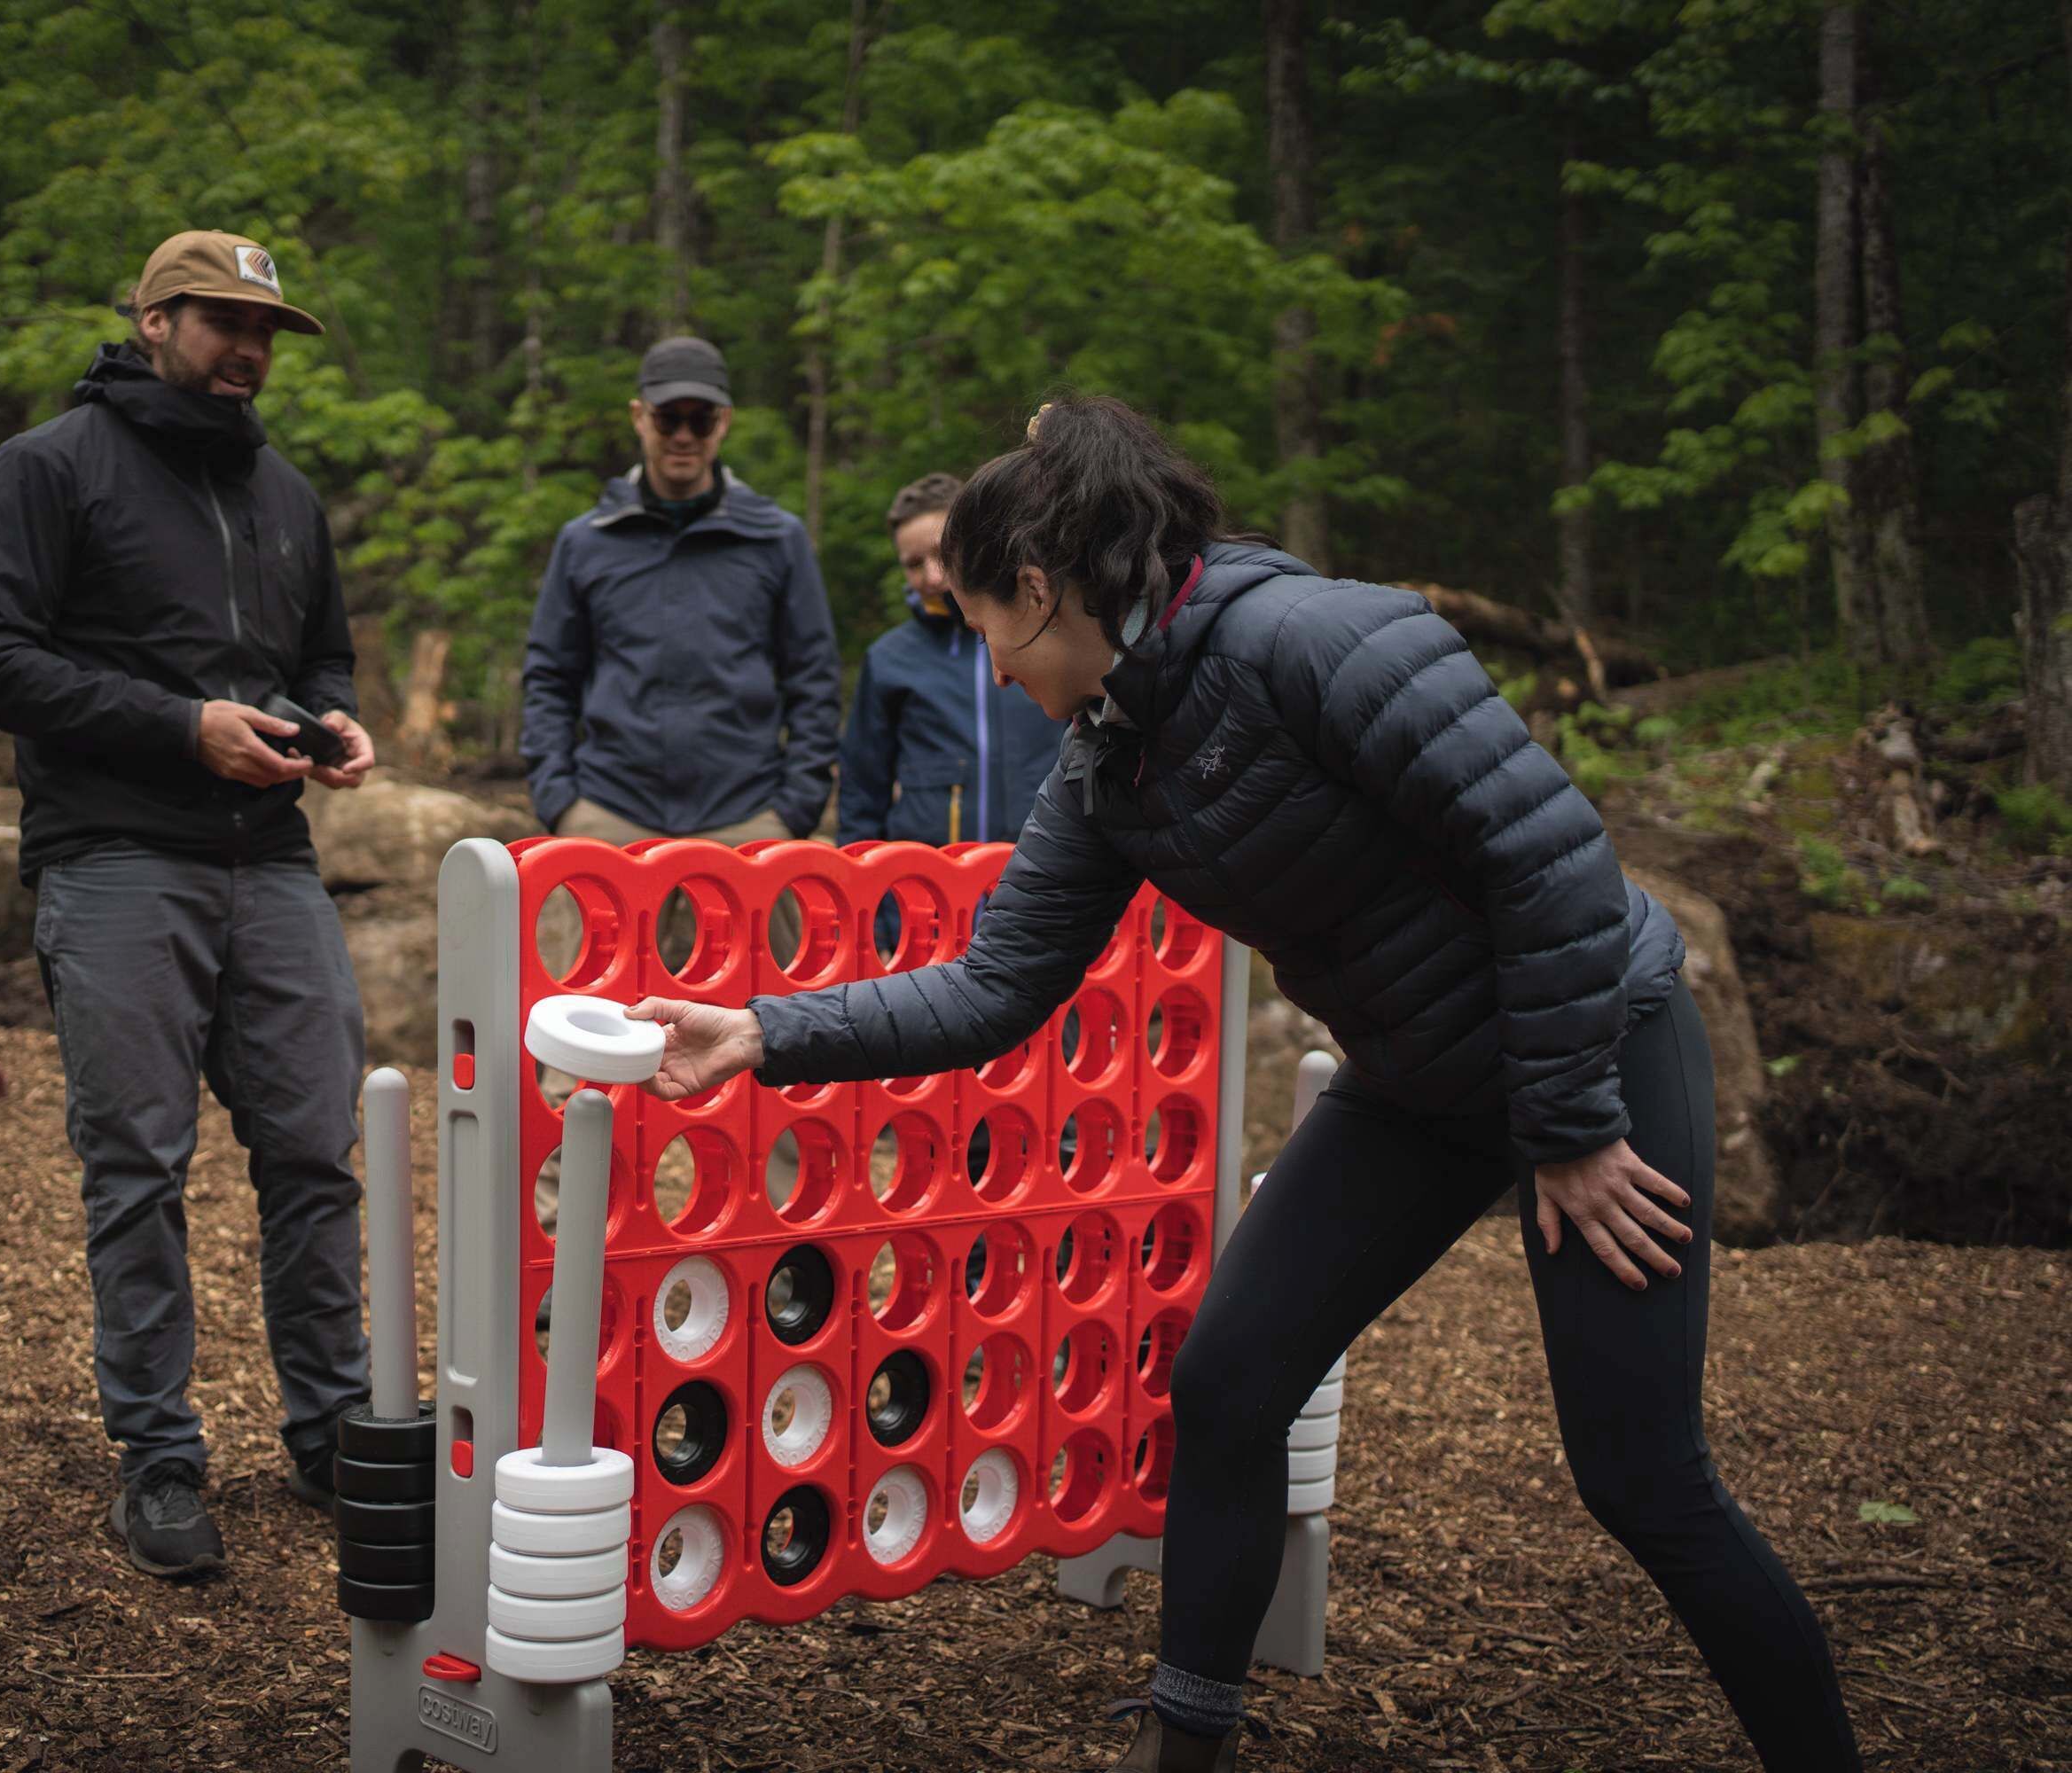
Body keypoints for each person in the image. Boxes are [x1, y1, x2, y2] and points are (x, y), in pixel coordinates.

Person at [626, 399, 1863, 1772]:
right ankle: (1192, 1740)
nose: (985, 672)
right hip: (1417, 1084)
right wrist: (760, 1031)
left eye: (982, 629)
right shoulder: (1110, 757)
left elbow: (1556, 865)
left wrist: (1569, 1128)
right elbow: (993, 989)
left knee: (1642, 1479)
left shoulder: (1317, 638)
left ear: (1040, 593)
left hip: (1594, 1046)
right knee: (1226, 1384)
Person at [0, 230, 378, 1582]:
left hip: (274, 859)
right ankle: (159, 1458)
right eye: (217, 321)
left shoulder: (286, 494)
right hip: (117, 855)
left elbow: (320, 651)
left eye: (264, 330)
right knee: (138, 1169)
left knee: (315, 1156)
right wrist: (179, 725)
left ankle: (334, 1435)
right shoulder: (49, 467)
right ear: (150, 320)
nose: (246, 349)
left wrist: (333, 717)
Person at [520, 334, 840, 861]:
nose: (684, 436)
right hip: (611, 817)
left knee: (756, 950)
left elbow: (814, 679)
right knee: (605, 950)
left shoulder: (777, 539)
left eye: (702, 420)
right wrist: (560, 803)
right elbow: (550, 675)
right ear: (639, 417)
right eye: (669, 418)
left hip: (749, 821)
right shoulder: (586, 541)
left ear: (725, 422)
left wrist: (794, 810)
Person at [839, 473, 1064, 850]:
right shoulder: (889, 659)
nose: (932, 576)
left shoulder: (1045, 635)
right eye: (913, 564)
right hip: (926, 892)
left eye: (943, 553)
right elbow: (862, 793)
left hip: (1046, 880)